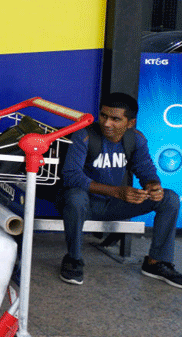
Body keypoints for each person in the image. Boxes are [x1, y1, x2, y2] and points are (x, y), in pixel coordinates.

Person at [58, 92, 181, 287]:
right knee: (75, 196)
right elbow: (71, 175)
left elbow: (146, 170)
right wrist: (117, 191)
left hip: (115, 205)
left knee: (169, 198)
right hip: (84, 205)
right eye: (103, 116)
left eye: (115, 119)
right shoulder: (85, 135)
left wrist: (152, 186)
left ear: (130, 123)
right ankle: (73, 259)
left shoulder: (136, 139)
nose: (107, 123)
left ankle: (156, 263)